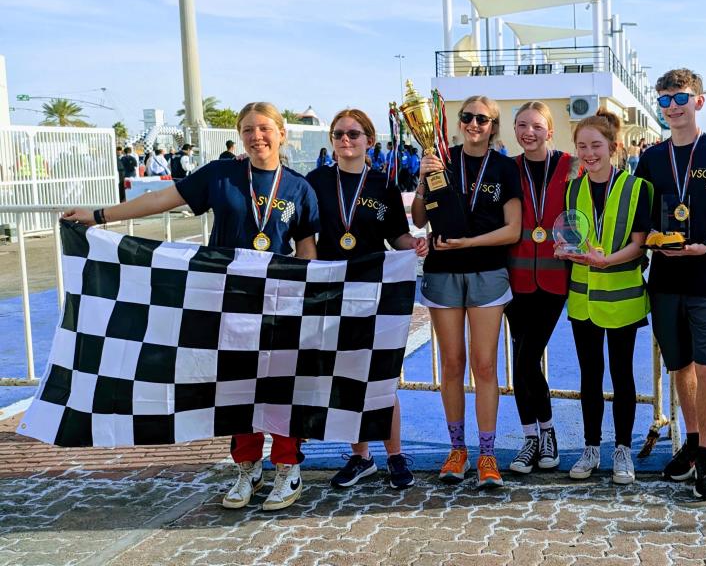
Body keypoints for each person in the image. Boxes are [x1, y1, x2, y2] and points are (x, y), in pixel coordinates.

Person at [63, 102, 320, 512]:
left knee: (280, 386)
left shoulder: (298, 188)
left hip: (278, 301)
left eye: (265, 128)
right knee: (236, 385)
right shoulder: (221, 175)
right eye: (249, 129)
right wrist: (99, 216)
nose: (257, 136)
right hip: (223, 297)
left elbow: (306, 250)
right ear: (240, 135)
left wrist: (309, 296)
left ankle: (288, 467)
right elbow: (162, 199)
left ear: (282, 133)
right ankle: (247, 466)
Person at [635, 68, 706, 500]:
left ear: (698, 101)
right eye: (663, 100)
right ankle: (694, 443)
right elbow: (641, 221)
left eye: (679, 98)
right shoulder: (650, 159)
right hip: (664, 280)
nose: (672, 107)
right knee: (679, 367)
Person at [305, 108, 428, 490]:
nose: (346, 140)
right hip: (329, 291)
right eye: (339, 134)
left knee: (382, 377)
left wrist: (416, 244)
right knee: (343, 376)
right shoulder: (315, 181)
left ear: (369, 141)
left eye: (354, 134)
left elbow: (397, 238)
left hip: (373, 292)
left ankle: (394, 454)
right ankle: (361, 456)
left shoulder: (383, 185)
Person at [411, 95, 522, 489]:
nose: (475, 124)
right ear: (458, 122)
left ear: (493, 125)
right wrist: (424, 180)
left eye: (483, 119)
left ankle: (487, 454)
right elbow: (420, 218)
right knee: (453, 364)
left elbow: (513, 230)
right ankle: (457, 449)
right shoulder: (441, 159)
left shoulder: (505, 167)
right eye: (468, 117)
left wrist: (469, 244)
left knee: (485, 365)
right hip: (443, 274)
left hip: (488, 272)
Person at [557, 110, 652, 485]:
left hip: (623, 296)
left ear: (613, 148)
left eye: (596, 145)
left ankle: (623, 449)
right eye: (582, 146)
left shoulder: (636, 188)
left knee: (622, 374)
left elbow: (639, 244)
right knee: (590, 376)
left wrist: (606, 260)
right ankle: (591, 447)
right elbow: (571, 235)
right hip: (582, 298)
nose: (588, 153)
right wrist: (564, 250)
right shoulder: (572, 188)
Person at [505, 102, 576, 475]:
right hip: (514, 278)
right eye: (521, 125)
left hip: (553, 278)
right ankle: (534, 437)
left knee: (526, 358)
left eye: (536, 125)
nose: (528, 132)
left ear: (550, 130)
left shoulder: (571, 166)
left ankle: (542, 434)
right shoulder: (507, 169)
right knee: (522, 357)